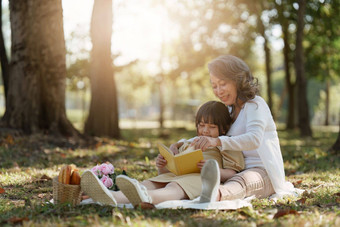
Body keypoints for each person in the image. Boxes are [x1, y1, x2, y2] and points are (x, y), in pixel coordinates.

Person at [170, 55, 299, 203]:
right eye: (214, 86)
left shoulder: (256, 105)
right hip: (233, 171)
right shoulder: (229, 110)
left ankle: (215, 194)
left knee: (242, 181)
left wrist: (216, 141)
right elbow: (209, 135)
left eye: (222, 84)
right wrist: (179, 144)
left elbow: (253, 139)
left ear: (238, 81)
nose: (218, 91)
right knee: (231, 178)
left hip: (262, 172)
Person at [81, 101, 245, 206]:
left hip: (198, 178)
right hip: (175, 176)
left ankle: (122, 198)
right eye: (202, 125)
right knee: (150, 183)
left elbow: (233, 173)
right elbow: (173, 170)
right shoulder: (190, 142)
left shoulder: (226, 144)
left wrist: (210, 169)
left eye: (211, 127)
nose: (205, 131)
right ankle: (110, 194)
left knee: (174, 187)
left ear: (223, 128)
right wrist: (163, 166)